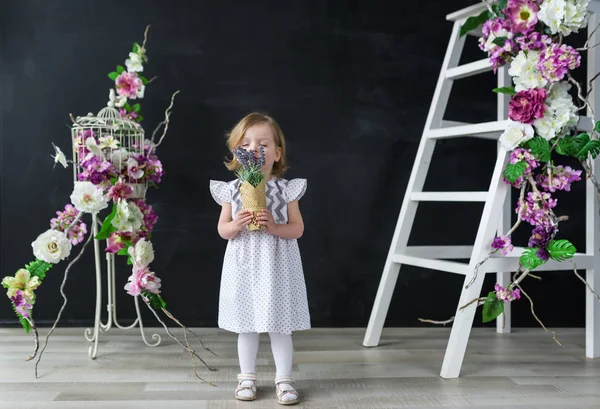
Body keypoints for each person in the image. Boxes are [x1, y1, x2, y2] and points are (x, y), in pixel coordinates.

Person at [209, 112, 310, 405]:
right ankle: (247, 377)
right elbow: (223, 230)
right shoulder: (232, 190)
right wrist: (236, 224)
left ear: (277, 153)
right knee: (247, 324)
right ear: (236, 152)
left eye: (263, 144)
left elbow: (298, 229)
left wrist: (275, 226)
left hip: (277, 264)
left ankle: (284, 378)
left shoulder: (285, 189)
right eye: (247, 144)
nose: (255, 150)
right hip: (244, 266)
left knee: (280, 325)